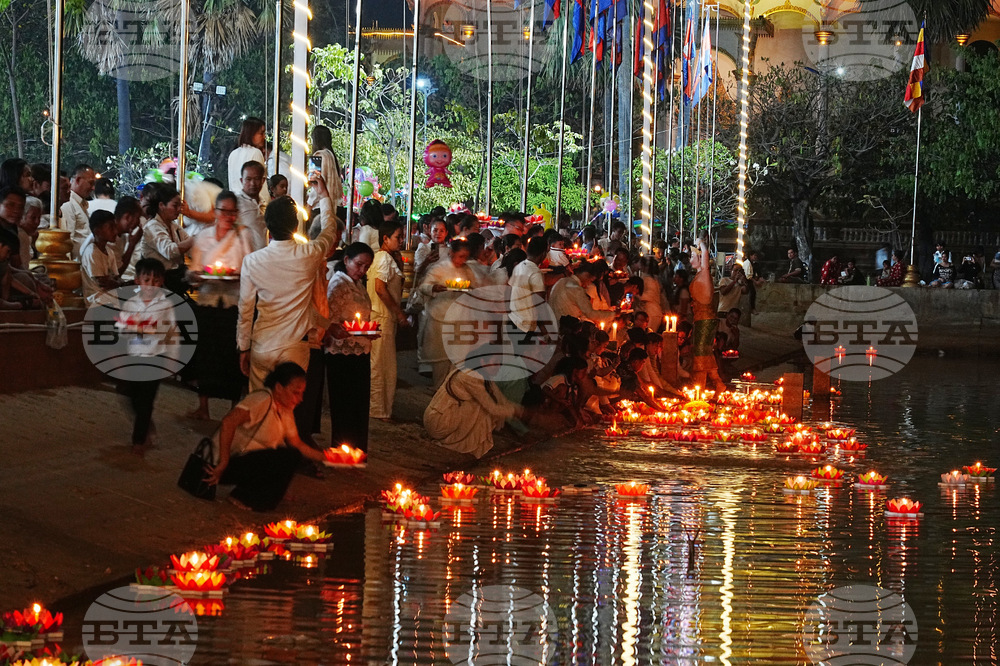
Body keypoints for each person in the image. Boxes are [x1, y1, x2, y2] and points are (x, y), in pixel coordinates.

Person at [238, 183, 339, 391]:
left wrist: (243, 347)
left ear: (267, 226)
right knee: (288, 409)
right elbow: (329, 231)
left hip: (262, 344)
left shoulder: (252, 261)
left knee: (260, 406)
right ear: (295, 226)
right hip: (295, 346)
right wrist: (324, 198)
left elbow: (246, 310)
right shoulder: (308, 254)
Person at [204, 362, 326, 512]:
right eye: (296, 392)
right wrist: (223, 461)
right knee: (286, 456)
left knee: (289, 454)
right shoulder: (262, 399)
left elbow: (297, 444)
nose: (300, 398)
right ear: (279, 388)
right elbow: (229, 422)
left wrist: (330, 458)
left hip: (250, 463)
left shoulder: (285, 410)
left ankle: (256, 497)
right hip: (220, 465)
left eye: (302, 393)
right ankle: (243, 496)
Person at [187, 191, 255, 419]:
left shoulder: (243, 236)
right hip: (207, 300)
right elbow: (195, 269)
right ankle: (203, 405)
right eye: (223, 211)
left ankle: (233, 406)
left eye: (232, 212)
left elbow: (250, 267)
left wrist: (235, 275)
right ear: (215, 212)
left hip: (233, 303)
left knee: (231, 355)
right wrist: (195, 276)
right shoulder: (203, 236)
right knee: (206, 354)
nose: (227, 216)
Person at [117, 258, 176, 452]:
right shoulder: (131, 304)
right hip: (135, 355)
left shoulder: (165, 305)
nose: (151, 285)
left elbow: (173, 333)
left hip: (155, 357)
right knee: (131, 396)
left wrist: (172, 360)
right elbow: (121, 329)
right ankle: (146, 423)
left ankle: (138, 441)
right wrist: (131, 327)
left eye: (156, 280)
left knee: (146, 399)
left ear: (162, 282)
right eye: (146, 280)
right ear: (137, 281)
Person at [324, 242, 376, 451]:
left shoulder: (357, 283)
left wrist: (366, 330)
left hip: (360, 350)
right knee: (344, 406)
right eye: (359, 265)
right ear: (346, 260)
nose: (362, 271)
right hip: (340, 353)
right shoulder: (338, 284)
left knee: (359, 406)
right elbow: (329, 320)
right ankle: (342, 451)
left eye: (366, 267)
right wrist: (354, 330)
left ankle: (357, 451)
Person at [424, 362, 523, 459]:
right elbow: (492, 408)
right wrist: (517, 412)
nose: (498, 368)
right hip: (438, 422)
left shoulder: (484, 376)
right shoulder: (470, 376)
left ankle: (463, 443)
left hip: (446, 419)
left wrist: (519, 411)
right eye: (495, 364)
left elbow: (501, 400)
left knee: (484, 406)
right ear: (483, 361)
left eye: (499, 364)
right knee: (482, 409)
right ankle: (455, 444)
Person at [420, 238, 478, 388]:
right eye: (460, 256)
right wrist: (434, 288)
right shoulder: (439, 268)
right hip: (441, 318)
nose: (463, 260)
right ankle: (439, 391)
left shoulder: (466, 270)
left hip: (461, 320)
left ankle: (453, 392)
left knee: (458, 359)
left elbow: (475, 287)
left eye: (466, 257)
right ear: (452, 253)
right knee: (442, 361)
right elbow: (424, 286)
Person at [368, 219, 409, 420]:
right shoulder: (383, 258)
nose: (401, 240)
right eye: (398, 237)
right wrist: (398, 312)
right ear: (385, 238)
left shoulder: (386, 257)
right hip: (382, 317)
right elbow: (380, 289)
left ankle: (381, 408)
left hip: (384, 317)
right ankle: (377, 409)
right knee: (380, 365)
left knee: (384, 365)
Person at [140, 184, 193, 295]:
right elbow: (170, 251)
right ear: (161, 205)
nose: (179, 210)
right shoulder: (152, 227)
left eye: (180, 206)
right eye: (175, 206)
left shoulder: (174, 226)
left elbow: (192, 249)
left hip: (173, 284)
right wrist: (195, 239)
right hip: (156, 288)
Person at [689, 238, 726, 392]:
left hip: (705, 318)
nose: (690, 259)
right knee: (701, 351)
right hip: (701, 318)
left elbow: (705, 253)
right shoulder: (699, 275)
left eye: (692, 256)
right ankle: (716, 383)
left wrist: (701, 244)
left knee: (701, 351)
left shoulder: (704, 273)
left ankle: (703, 386)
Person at [549, 262, 617, 327]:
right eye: (591, 281)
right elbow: (590, 314)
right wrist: (614, 315)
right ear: (586, 275)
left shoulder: (562, 281)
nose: (589, 284)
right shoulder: (577, 289)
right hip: (565, 327)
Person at [80, 210, 126, 305]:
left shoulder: (109, 252)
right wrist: (119, 284)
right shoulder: (92, 253)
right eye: (111, 227)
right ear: (97, 231)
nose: (116, 231)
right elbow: (103, 283)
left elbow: (115, 278)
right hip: (96, 301)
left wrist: (118, 283)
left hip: (110, 298)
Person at [509, 237, 547, 332]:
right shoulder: (535, 273)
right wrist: (544, 330)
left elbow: (509, 289)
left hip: (513, 319)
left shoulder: (519, 266)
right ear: (543, 254)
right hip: (525, 325)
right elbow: (539, 304)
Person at [228, 117, 269, 203]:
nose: (264, 137)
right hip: (253, 204)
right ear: (252, 134)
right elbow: (261, 186)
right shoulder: (256, 153)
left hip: (236, 203)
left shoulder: (233, 154)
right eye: (261, 133)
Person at [61, 164, 96, 258]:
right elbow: (68, 240)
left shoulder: (81, 204)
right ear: (78, 180)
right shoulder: (69, 203)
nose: (93, 188)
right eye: (91, 183)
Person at [307, 125, 344, 212]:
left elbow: (316, 185)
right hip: (336, 205)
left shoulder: (318, 156)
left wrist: (309, 203)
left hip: (321, 207)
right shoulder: (333, 157)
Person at [235, 161, 268, 251]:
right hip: (244, 258)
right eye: (248, 179)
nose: (253, 183)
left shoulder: (265, 204)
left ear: (263, 180)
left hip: (263, 257)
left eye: (257, 179)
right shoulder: (235, 203)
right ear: (242, 181)